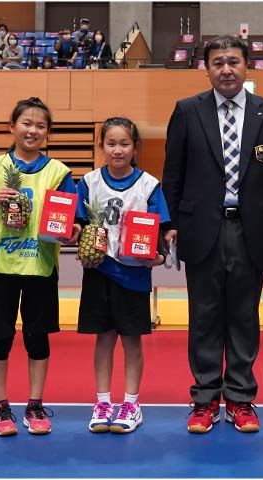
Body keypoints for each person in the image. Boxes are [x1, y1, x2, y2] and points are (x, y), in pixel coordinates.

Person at [162, 34, 263, 434]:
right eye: (218, 63)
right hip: (201, 228)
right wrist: (170, 224)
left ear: (247, 65)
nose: (226, 70)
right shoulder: (187, 111)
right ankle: (204, 399)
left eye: (233, 61)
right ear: (206, 69)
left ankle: (240, 398)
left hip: (251, 229)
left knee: (244, 316)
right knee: (203, 316)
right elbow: (173, 173)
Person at [0, 97, 78, 437]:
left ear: (48, 132)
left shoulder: (59, 172)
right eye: (26, 123)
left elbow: (72, 218)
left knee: (37, 338)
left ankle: (35, 404)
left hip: (40, 267)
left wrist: (73, 230)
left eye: (40, 126)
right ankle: (0, 406)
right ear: (12, 127)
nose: (33, 130)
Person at [75, 117, 170, 434]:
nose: (118, 150)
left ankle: (131, 404)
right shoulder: (88, 182)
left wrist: (159, 257)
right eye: (111, 143)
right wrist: (74, 238)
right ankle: (102, 402)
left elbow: (162, 231)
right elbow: (78, 224)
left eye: (124, 144)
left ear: (135, 147)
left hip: (134, 274)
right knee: (103, 339)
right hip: (99, 270)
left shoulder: (149, 185)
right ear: (101, 146)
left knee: (131, 340)